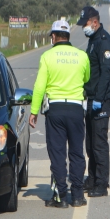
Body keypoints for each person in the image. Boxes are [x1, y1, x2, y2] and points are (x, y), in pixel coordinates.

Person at [29, 19, 90, 208]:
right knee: (77, 153)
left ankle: (61, 196)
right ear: (68, 36)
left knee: (57, 154)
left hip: (55, 110)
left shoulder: (47, 56)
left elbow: (39, 86)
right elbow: (86, 78)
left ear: (54, 36)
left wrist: (33, 111)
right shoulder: (82, 56)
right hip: (76, 108)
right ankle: (78, 195)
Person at [76, 6, 110, 197]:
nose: (84, 27)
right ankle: (91, 179)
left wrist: (99, 98)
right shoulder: (92, 40)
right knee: (90, 144)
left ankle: (101, 183)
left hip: (102, 100)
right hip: (91, 99)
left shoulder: (104, 42)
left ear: (94, 21)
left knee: (99, 144)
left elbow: (106, 73)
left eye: (85, 23)